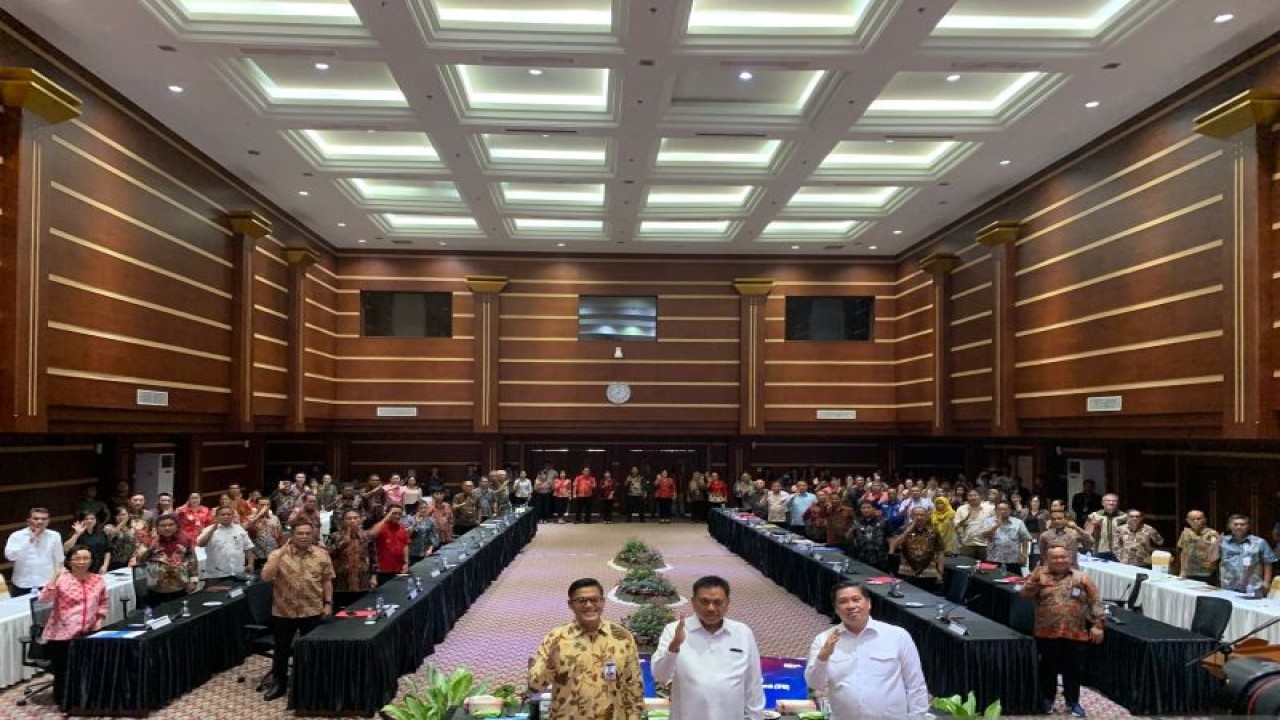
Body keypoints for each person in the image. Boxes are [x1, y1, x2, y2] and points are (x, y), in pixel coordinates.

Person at [805, 581, 929, 719]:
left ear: (869, 603)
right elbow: (815, 684)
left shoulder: (897, 635)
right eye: (843, 601)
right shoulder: (823, 640)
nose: (851, 606)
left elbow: (915, 684)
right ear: (836, 609)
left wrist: (917, 717)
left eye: (856, 599)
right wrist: (823, 658)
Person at [650, 576, 764, 720]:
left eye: (717, 602)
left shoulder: (742, 632)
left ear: (728, 603)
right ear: (693, 602)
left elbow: (753, 684)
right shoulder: (674, 630)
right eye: (704, 602)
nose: (711, 608)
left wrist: (755, 717)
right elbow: (660, 676)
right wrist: (674, 646)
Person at [528, 578, 644, 720]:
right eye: (581, 601)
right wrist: (550, 666)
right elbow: (535, 686)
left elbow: (634, 687)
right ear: (571, 605)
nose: (589, 605)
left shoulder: (622, 637)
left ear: (603, 602)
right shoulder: (555, 639)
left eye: (594, 600)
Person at [1021, 545, 1105, 717]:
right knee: (1048, 668)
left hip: (1075, 632)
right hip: (1046, 632)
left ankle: (1072, 702)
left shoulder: (1081, 578)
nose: (1060, 560)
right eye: (1055, 557)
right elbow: (1024, 595)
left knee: (1073, 669)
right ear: (1047, 560)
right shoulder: (1039, 576)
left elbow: (1095, 601)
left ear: (1069, 558)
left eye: (1063, 557)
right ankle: (1047, 699)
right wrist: (1033, 580)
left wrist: (1098, 625)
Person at [261, 519, 334, 701]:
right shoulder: (277, 554)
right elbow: (266, 577)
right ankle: (279, 683)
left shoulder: (322, 554)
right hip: (284, 611)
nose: (304, 537)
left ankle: (310, 683)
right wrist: (279, 554)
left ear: (313, 534)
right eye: (300, 533)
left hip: (312, 610)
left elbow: (327, 580)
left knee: (312, 649)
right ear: (292, 535)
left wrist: (328, 603)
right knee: (281, 650)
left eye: (307, 533)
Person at [39, 546, 108, 709]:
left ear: (92, 561)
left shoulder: (98, 580)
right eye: (77, 558)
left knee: (86, 669)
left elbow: (103, 602)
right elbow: (44, 599)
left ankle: (85, 700)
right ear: (69, 561)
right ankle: (64, 703)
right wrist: (54, 577)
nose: (81, 562)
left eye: (86, 558)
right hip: (61, 634)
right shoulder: (62, 580)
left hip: (88, 632)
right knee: (63, 672)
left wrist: (100, 619)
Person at [133, 513, 199, 606]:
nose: (167, 528)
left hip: (180, 586)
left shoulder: (185, 541)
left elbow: (192, 561)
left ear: (177, 526)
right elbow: (139, 561)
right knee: (158, 614)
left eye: (171, 525)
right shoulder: (148, 541)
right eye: (163, 526)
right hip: (156, 588)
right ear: (157, 527)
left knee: (180, 612)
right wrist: (151, 548)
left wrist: (193, 581)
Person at [5, 507, 64, 596]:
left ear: (48, 521)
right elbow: (10, 557)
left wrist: (56, 581)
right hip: (23, 584)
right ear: (28, 521)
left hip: (47, 583)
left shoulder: (55, 536)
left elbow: (59, 560)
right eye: (36, 518)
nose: (40, 521)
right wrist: (29, 541)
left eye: (44, 519)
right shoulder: (16, 536)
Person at [1215, 513, 1277, 597]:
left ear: (1248, 526)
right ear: (1229, 526)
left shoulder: (1259, 542)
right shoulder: (1222, 541)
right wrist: (1216, 543)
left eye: (1242, 524)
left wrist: (1266, 582)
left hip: (1252, 586)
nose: (1239, 527)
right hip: (1228, 585)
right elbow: (1212, 558)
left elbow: (1267, 563)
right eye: (1235, 524)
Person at [889, 507, 945, 592]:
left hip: (928, 572)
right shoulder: (903, 529)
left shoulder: (934, 531)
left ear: (926, 516)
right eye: (916, 515)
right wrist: (907, 531)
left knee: (927, 597)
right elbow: (894, 546)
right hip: (907, 572)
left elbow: (940, 552)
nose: (919, 517)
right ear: (911, 516)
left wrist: (940, 573)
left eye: (922, 515)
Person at [327, 509, 373, 606]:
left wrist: (374, 576)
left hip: (362, 582)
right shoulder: (334, 536)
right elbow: (327, 554)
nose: (352, 521)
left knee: (362, 610)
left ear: (360, 520)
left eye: (355, 518)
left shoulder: (366, 536)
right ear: (343, 521)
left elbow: (373, 557)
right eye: (349, 518)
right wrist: (343, 542)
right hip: (341, 584)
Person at [197, 505, 254, 580]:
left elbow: (248, 547)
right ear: (216, 517)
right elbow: (201, 544)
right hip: (216, 575)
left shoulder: (239, 529)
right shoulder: (208, 529)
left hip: (238, 572)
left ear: (232, 516)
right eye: (223, 515)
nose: (226, 516)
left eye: (229, 514)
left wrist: (250, 564)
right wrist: (212, 530)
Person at [983, 501, 1032, 575]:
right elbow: (985, 536)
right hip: (994, 559)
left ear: (1010, 510)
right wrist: (996, 525)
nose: (1003, 511)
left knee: (1014, 580)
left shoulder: (1018, 522)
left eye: (1005, 509)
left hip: (1013, 560)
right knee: (992, 580)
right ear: (995, 510)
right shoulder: (988, 521)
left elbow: (1025, 539)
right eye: (1000, 509)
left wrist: (1024, 555)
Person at [371, 504, 410, 585]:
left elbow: (405, 545)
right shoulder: (380, 527)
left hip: (400, 569)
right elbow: (372, 534)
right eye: (394, 513)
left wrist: (406, 562)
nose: (397, 516)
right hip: (383, 570)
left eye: (399, 514)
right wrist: (386, 517)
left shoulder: (402, 528)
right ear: (387, 514)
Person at [846, 501, 891, 571]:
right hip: (862, 557)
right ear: (860, 510)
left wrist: (890, 553)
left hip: (881, 557)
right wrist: (851, 529)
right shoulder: (857, 522)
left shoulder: (883, 521)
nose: (866, 510)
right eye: (863, 508)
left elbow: (890, 537)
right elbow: (848, 537)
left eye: (868, 507)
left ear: (874, 509)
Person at [1177, 510, 1220, 583]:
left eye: (1199, 518)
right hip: (1189, 571)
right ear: (1187, 521)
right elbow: (1184, 552)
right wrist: (1182, 571)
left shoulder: (1212, 533)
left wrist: (1208, 547)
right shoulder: (1185, 533)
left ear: (1204, 519)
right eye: (1192, 519)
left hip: (1206, 572)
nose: (1196, 521)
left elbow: (1217, 552)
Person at [63, 510, 111, 574]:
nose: (89, 521)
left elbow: (107, 550)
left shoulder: (102, 533)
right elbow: (66, 548)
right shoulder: (76, 533)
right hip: (82, 568)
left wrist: (105, 565)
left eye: (92, 519)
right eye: (86, 519)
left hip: (100, 567)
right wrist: (77, 534)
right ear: (81, 521)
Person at [953, 490, 994, 560]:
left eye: (975, 495)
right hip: (967, 544)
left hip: (985, 544)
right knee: (968, 565)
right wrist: (966, 518)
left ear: (980, 497)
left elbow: (994, 523)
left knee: (986, 566)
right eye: (970, 495)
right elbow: (956, 526)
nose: (973, 497)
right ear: (967, 497)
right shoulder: (961, 509)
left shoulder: (989, 508)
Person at [247, 496, 283, 572]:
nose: (265, 507)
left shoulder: (275, 518)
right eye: (262, 505)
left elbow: (280, 535)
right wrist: (259, 515)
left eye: (267, 505)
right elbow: (246, 527)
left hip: (273, 553)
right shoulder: (250, 518)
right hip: (257, 555)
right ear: (256, 505)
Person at [1085, 494, 1123, 561]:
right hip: (1100, 550)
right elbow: (1087, 534)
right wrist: (1093, 525)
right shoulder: (1094, 515)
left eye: (1114, 501)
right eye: (1108, 501)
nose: (1111, 503)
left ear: (1118, 503)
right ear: (1102, 503)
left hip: (1119, 551)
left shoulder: (1124, 516)